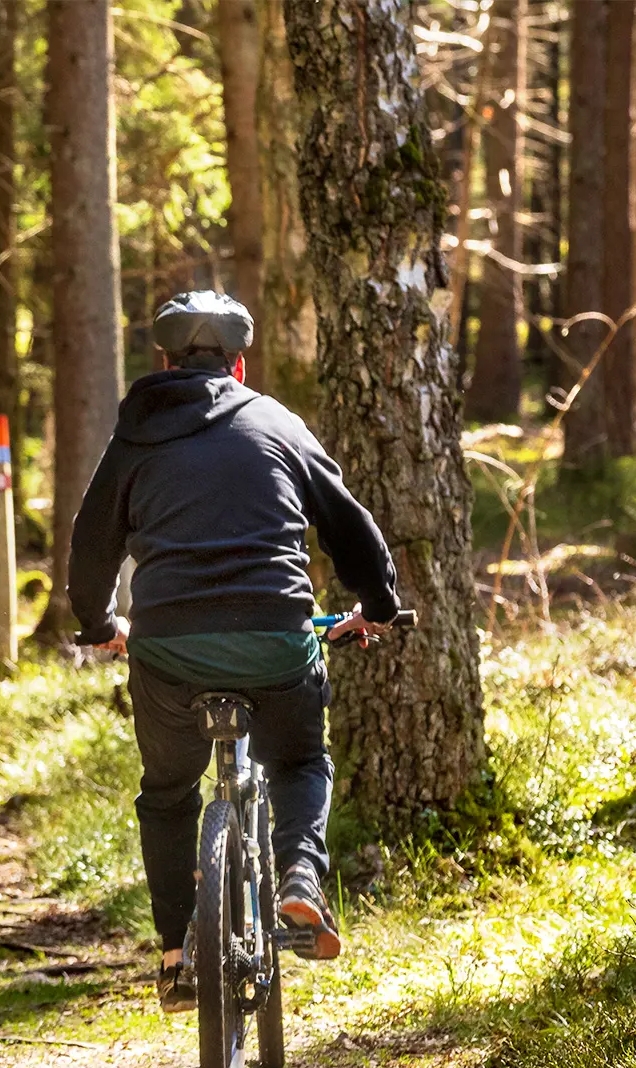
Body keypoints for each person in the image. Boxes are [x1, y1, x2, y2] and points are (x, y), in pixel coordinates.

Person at [68, 291, 403, 1013]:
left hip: (167, 652)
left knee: (167, 794)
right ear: (239, 364)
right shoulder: (277, 423)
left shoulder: (135, 436)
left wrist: (98, 624)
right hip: (277, 637)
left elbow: (90, 546)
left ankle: (174, 953)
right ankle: (301, 881)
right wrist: (375, 606)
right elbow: (351, 526)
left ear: (164, 362)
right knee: (300, 759)